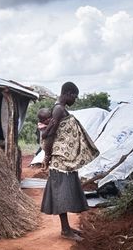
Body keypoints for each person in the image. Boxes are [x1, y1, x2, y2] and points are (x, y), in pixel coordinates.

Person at [40, 82, 98, 240]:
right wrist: (47, 155)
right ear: (68, 93)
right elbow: (51, 135)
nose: (76, 99)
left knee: (64, 194)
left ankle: (66, 228)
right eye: (75, 96)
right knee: (61, 195)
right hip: (60, 161)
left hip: (65, 160)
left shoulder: (61, 109)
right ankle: (65, 231)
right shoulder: (58, 109)